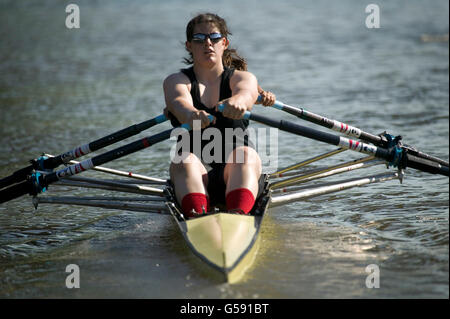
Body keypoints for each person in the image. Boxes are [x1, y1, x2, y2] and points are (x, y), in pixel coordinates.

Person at [163, 13, 275, 218]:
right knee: (182, 159)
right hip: (192, 174)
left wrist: (238, 103)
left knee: (245, 155)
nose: (207, 43)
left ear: (224, 43)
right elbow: (178, 102)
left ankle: (238, 215)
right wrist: (190, 114)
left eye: (214, 38)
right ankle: (198, 218)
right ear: (189, 46)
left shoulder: (243, 78)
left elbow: (246, 93)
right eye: (199, 39)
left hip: (238, 173)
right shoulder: (176, 80)